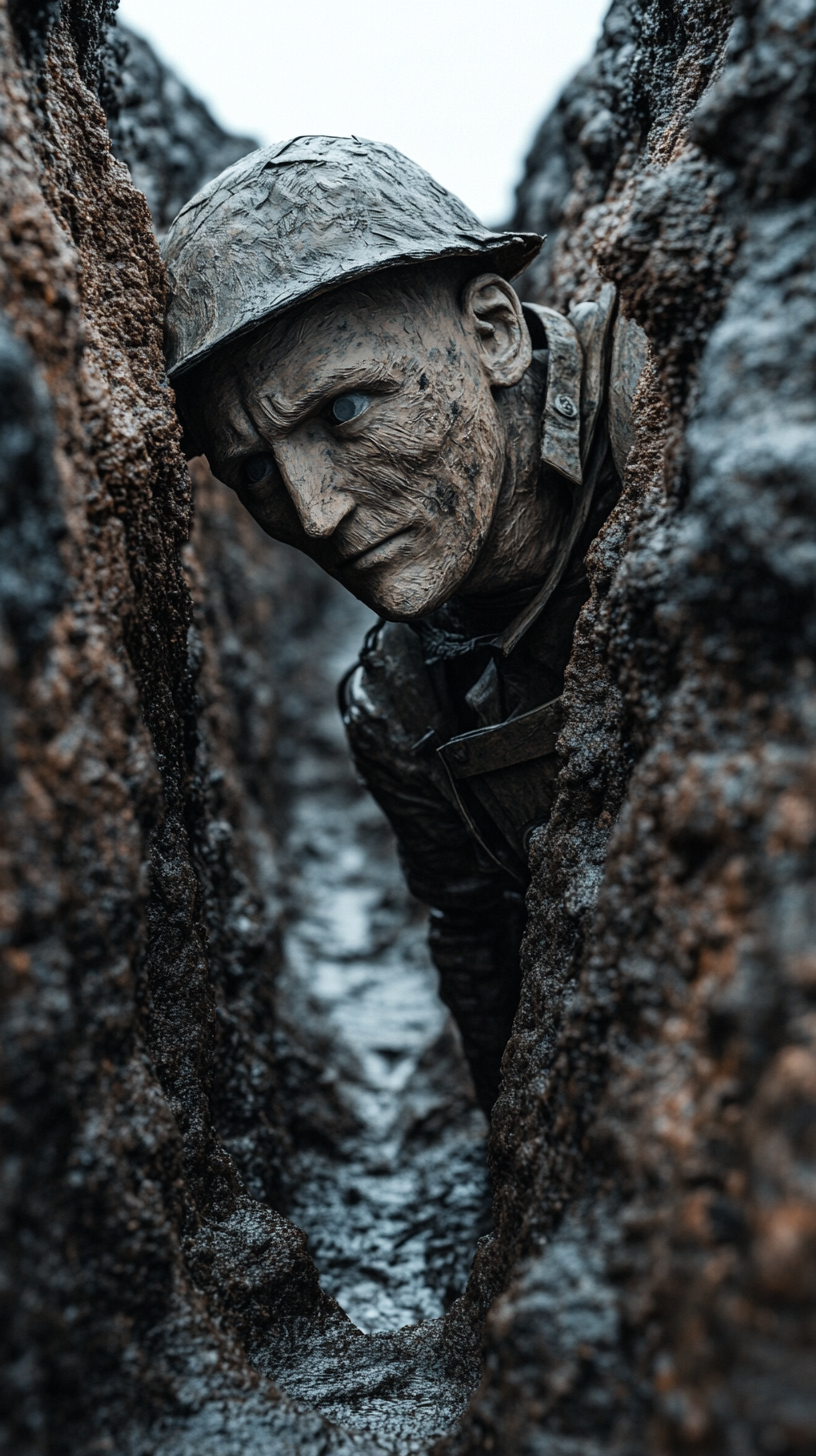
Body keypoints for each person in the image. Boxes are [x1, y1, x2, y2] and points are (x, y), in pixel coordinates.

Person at [162, 135, 647, 1114]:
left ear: (496, 330)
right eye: (254, 468)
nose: (313, 512)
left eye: (344, 408)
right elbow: (487, 952)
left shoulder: (681, 418)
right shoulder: (399, 706)